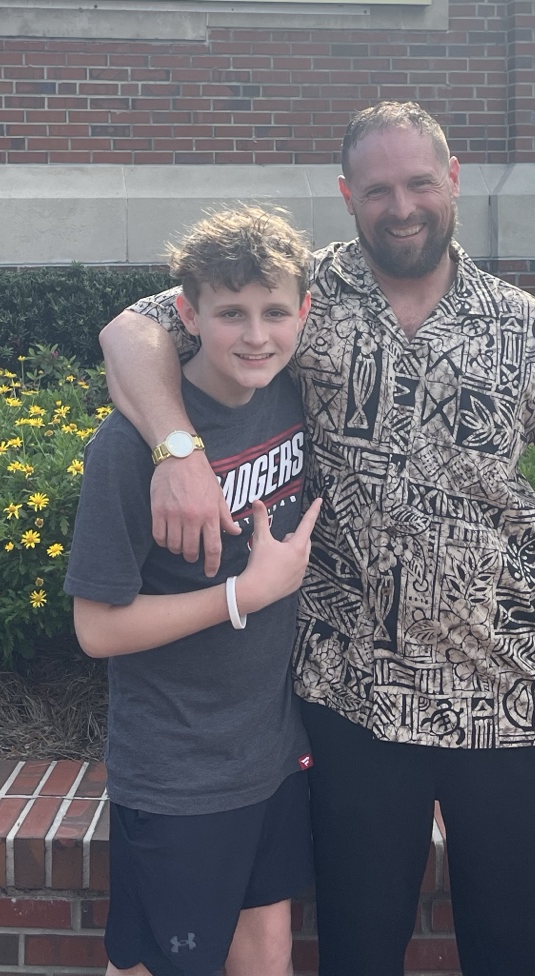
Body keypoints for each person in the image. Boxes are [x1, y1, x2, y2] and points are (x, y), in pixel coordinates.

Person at [98, 102, 535, 976]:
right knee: (357, 950)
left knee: (529, 953)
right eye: (379, 190)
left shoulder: (528, 328)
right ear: (348, 194)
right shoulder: (296, 297)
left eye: (420, 183)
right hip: (351, 694)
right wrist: (178, 451)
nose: (402, 207)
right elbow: (130, 332)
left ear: (453, 179)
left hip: (505, 690)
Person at [66, 206, 326, 976]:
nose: (256, 336)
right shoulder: (128, 447)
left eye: (274, 312)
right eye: (231, 314)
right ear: (188, 315)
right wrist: (244, 594)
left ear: (304, 312)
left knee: (268, 953)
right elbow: (96, 629)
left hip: (272, 756)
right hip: (177, 772)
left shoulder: (292, 398)